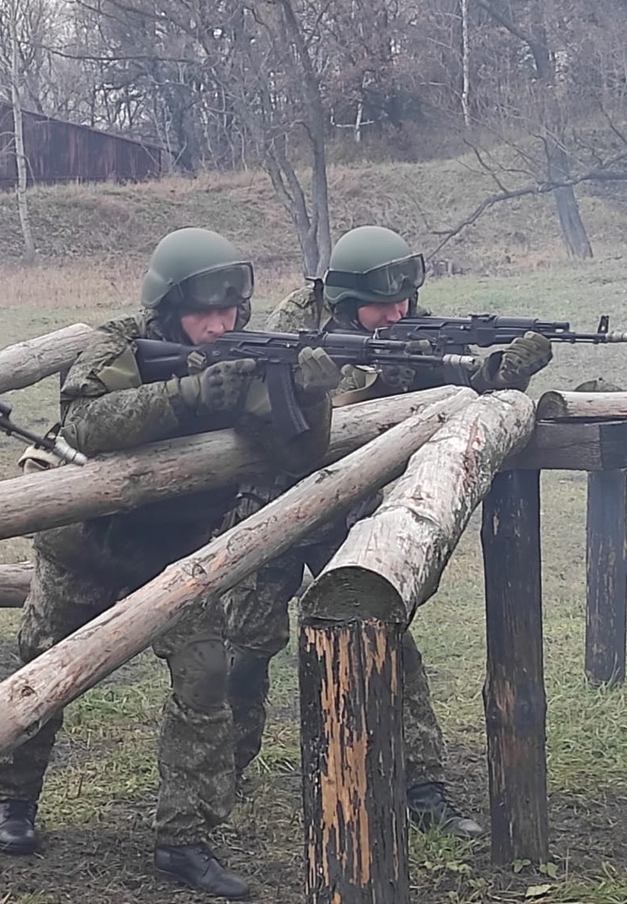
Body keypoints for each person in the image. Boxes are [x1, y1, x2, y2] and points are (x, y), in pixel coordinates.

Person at [0, 227, 343, 899]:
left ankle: (184, 839)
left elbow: (296, 455)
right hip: (85, 545)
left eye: (230, 311)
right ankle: (14, 800)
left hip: (176, 556)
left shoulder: (249, 359)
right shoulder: (117, 346)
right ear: (166, 308)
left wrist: (313, 394)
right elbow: (86, 421)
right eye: (203, 312)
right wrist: (190, 396)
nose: (218, 324)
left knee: (206, 680)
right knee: (42, 674)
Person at [224, 225, 552, 839]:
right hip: (269, 499)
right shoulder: (297, 323)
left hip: (348, 495)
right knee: (243, 649)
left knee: (385, 638)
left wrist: (499, 374)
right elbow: (269, 411)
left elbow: (446, 387)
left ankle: (422, 789)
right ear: (346, 299)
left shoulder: (407, 322)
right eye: (386, 306)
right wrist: (320, 382)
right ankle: (221, 777)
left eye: (406, 301)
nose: (401, 313)